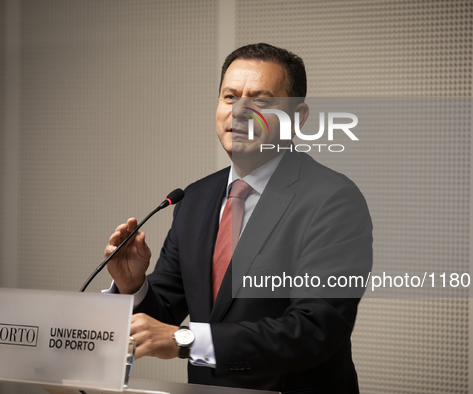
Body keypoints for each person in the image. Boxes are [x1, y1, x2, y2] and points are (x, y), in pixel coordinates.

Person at [105, 43, 372, 393]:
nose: (239, 112)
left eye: (260, 100)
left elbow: (314, 331)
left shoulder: (333, 199)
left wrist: (186, 340)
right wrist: (133, 284)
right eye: (229, 97)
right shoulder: (195, 198)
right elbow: (164, 316)